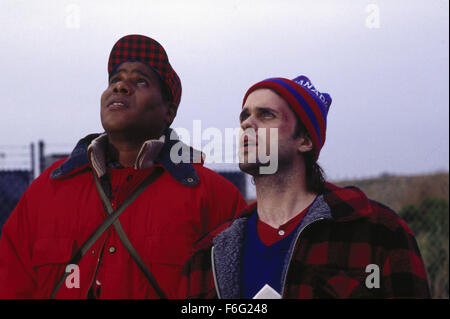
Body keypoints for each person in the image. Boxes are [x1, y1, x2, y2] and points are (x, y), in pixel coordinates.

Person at [0, 34, 247, 299]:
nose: (120, 87)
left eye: (140, 80)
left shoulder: (215, 197)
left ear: (169, 111)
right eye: (115, 80)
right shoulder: (48, 189)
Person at [181, 75, 431, 298]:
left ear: (305, 140)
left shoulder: (378, 232)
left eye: (266, 114)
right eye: (244, 116)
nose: (248, 124)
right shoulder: (209, 254)